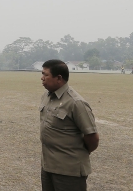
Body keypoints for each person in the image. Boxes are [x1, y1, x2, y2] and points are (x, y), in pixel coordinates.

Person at [40, 59, 100, 191]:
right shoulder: (47, 96)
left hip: (69, 171)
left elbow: (92, 138)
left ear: (59, 78)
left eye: (45, 75)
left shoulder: (76, 103)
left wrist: (76, 155)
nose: (42, 78)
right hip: (48, 166)